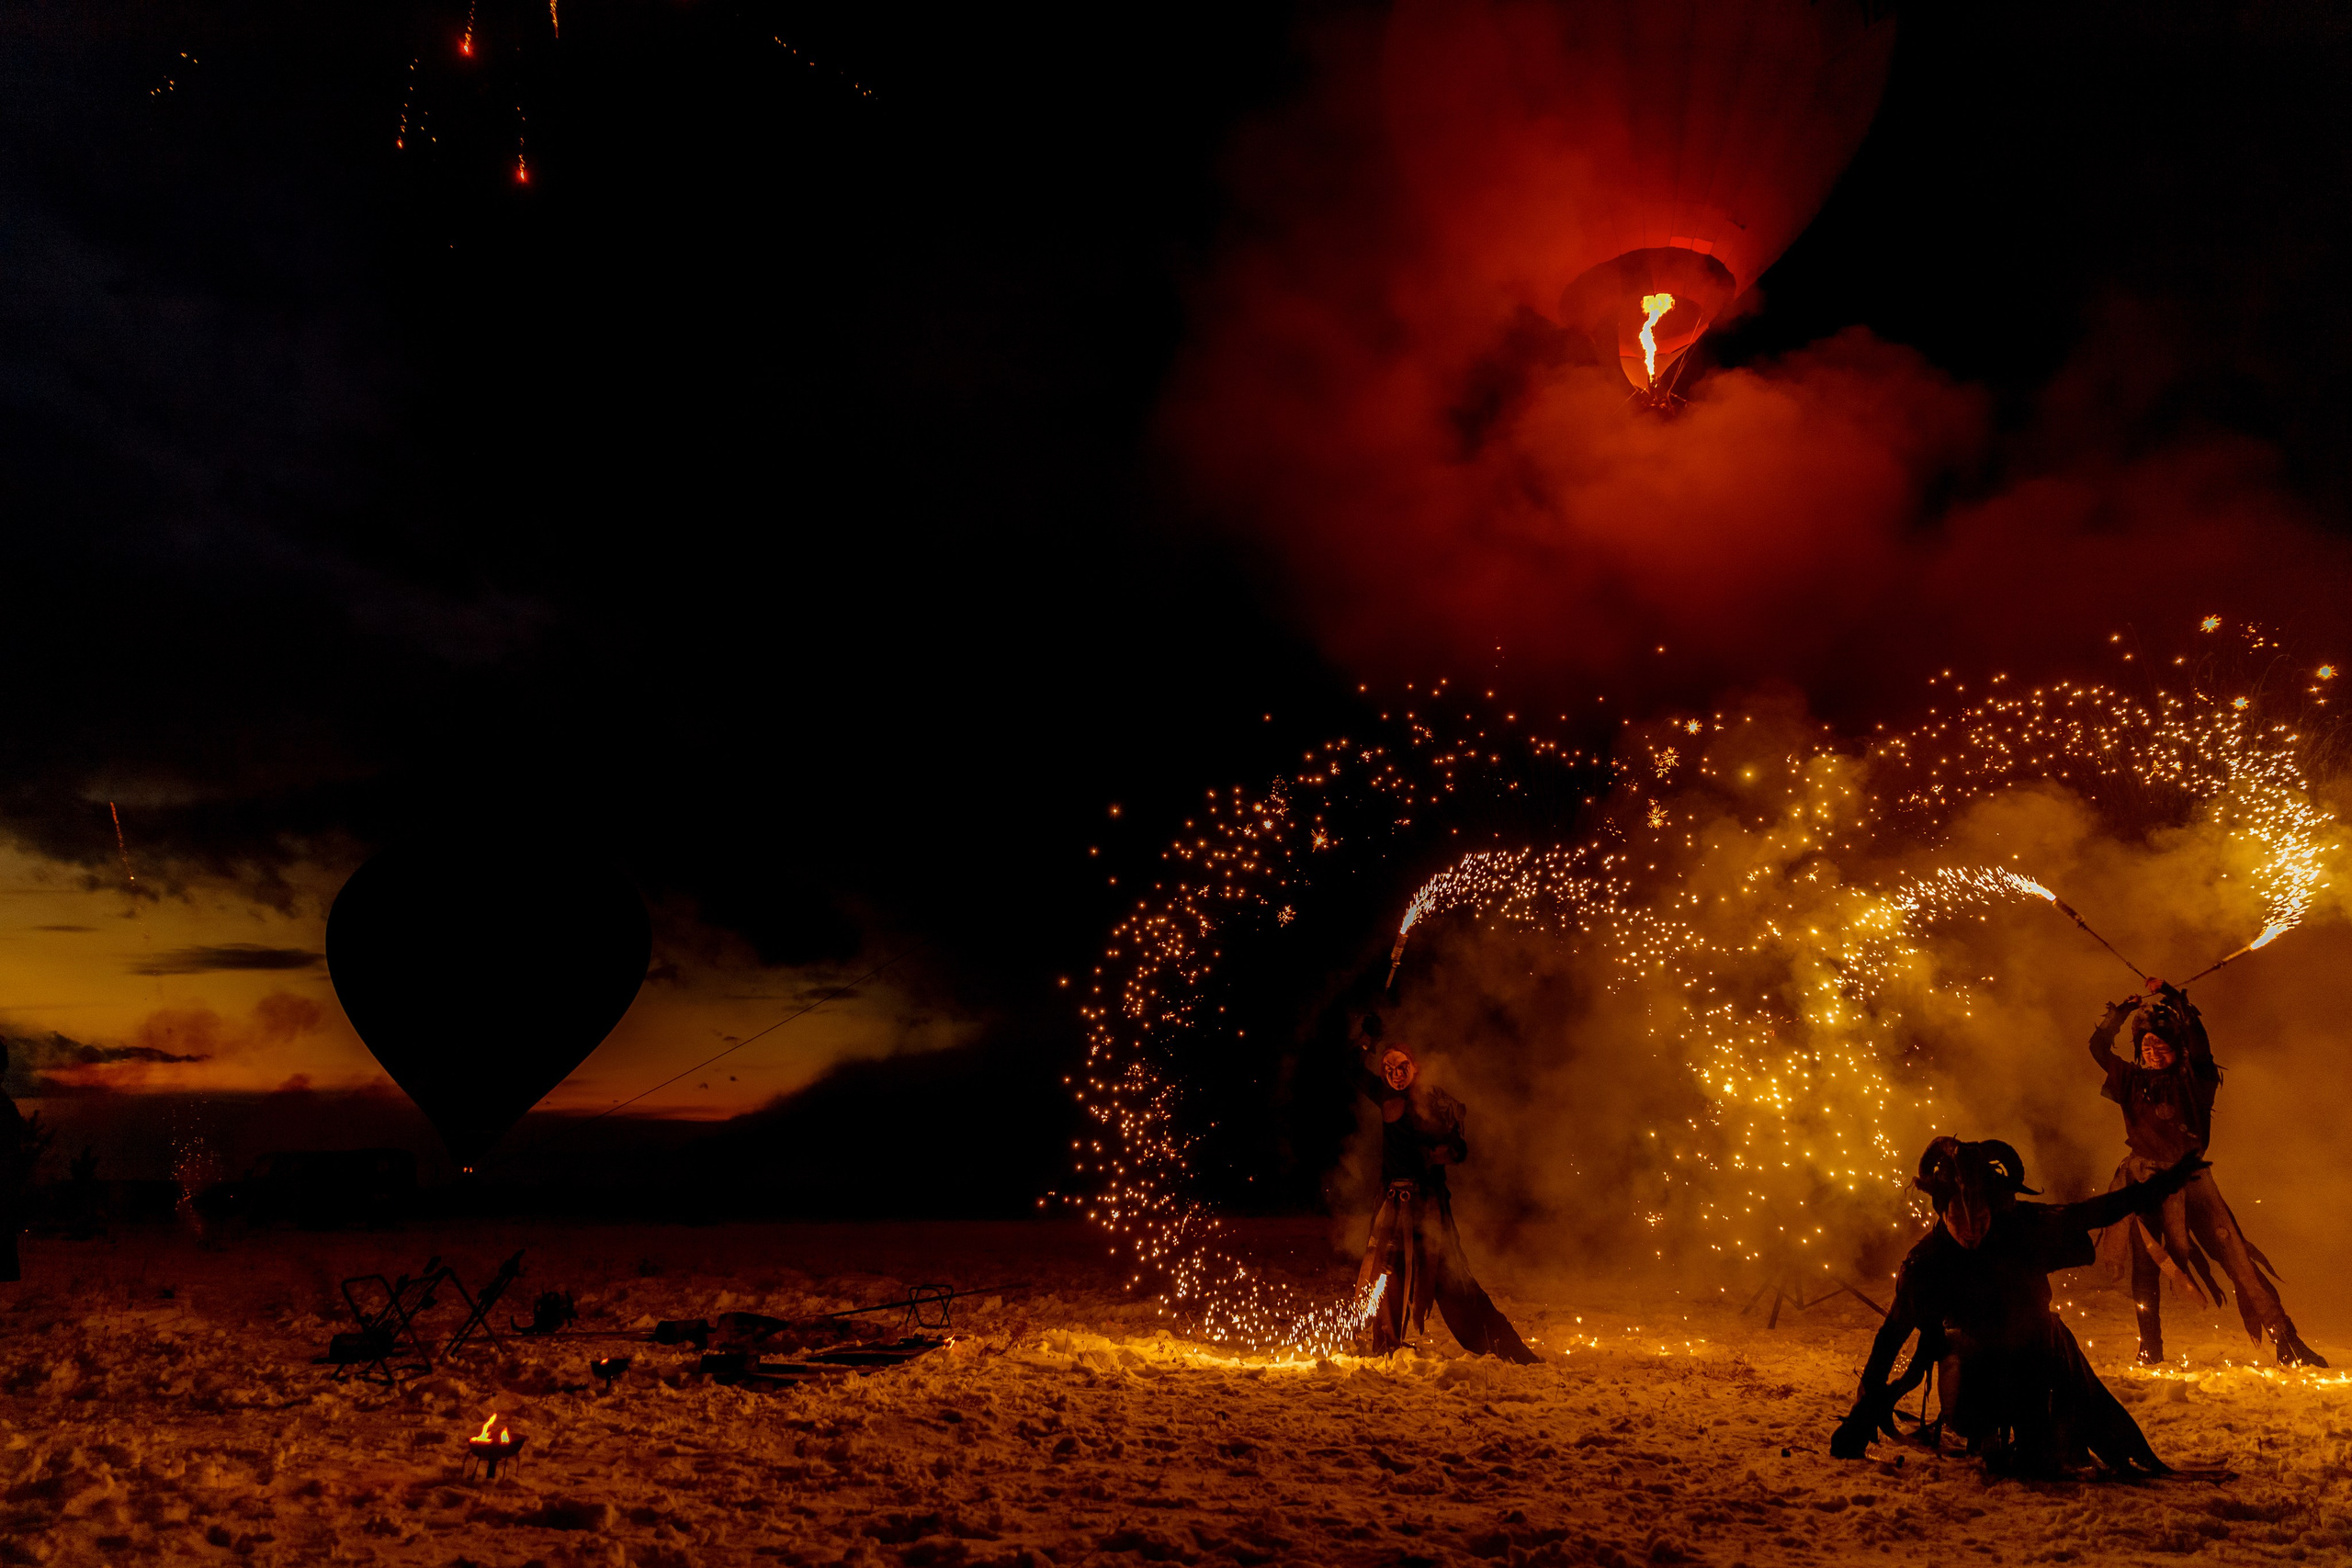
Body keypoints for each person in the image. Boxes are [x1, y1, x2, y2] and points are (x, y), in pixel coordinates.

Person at [1833, 1135, 2201, 1476]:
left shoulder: (2020, 1228)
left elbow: (2092, 1212)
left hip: (2029, 1355)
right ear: (1942, 1214)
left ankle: (2040, 1437)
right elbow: (1890, 1338)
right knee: (1972, 1377)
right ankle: (1998, 1430)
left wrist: (2161, 1185)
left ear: (1993, 1210)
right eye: (1959, 1220)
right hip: (1967, 1377)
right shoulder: (1926, 1263)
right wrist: (1860, 1415)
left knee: (2047, 1329)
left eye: (1979, 1219)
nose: (1971, 1231)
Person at [2086, 984, 2324, 1367]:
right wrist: (2122, 1013)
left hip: (2191, 1182)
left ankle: (2287, 1340)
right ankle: (2150, 1347)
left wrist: (2174, 998)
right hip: (2143, 1181)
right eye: (2146, 1047)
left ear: (2177, 1050)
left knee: (2236, 1259)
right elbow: (2098, 1049)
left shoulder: (2195, 1081)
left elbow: (2200, 1049)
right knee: (2146, 1266)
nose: (2152, 1052)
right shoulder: (2130, 1079)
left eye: (2160, 1046)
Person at [1351, 1014, 1536, 1363]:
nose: (1394, 1073)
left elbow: (1458, 1148)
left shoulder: (1433, 1101)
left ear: (1415, 1067)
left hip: (1429, 1208)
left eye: (1401, 1065)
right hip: (1392, 1207)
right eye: (1387, 1066)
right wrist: (1368, 1038)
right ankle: (1385, 1346)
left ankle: (1503, 1347)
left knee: (1452, 1281)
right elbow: (1349, 1066)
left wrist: (1437, 1154)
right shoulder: (1384, 1096)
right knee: (1386, 1279)